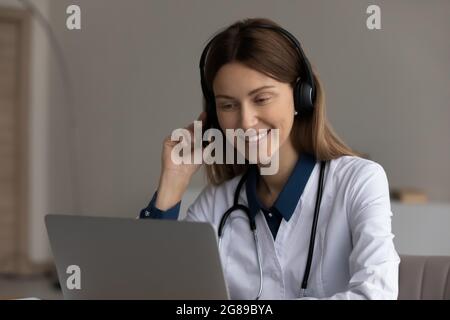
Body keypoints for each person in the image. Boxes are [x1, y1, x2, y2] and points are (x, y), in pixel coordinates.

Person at [139, 17, 400, 300]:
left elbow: (376, 295)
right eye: (228, 105)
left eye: (261, 99)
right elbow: (149, 290)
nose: (246, 121)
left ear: (302, 97)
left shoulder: (359, 181)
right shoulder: (216, 205)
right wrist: (172, 183)